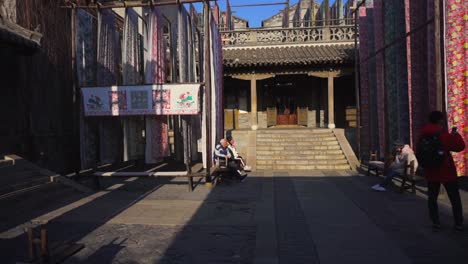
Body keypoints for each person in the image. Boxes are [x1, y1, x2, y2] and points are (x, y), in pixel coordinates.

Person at [418, 111, 466, 231]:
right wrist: (455, 135)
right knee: (454, 198)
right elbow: (460, 147)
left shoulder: (423, 133)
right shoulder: (442, 134)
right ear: (440, 120)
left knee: (432, 197)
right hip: (446, 170)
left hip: (431, 170)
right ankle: (458, 223)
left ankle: (435, 222)